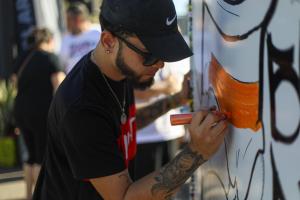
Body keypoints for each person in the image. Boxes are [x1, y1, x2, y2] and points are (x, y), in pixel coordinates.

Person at [32, 0, 228, 199]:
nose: (160, 64)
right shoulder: (82, 106)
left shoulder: (117, 71)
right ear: (108, 41)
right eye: (150, 55)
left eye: (164, 53)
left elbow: (121, 126)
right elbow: (125, 197)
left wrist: (175, 100)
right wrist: (197, 152)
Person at [12, 27, 65, 200]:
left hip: (21, 111)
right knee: (41, 156)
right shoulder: (51, 58)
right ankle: (41, 196)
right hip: (42, 112)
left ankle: (28, 195)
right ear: (49, 40)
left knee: (30, 156)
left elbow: (14, 83)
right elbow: (59, 87)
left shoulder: (22, 57)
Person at [134, 59, 189, 180]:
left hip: (170, 134)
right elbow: (137, 90)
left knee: (168, 187)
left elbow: (181, 87)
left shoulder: (178, 52)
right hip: (142, 138)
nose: (160, 65)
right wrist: (166, 86)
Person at [60, 2, 101, 74]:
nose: (66, 23)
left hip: (97, 76)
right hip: (76, 81)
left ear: (79, 19)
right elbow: (62, 65)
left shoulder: (97, 31)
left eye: (69, 19)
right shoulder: (66, 39)